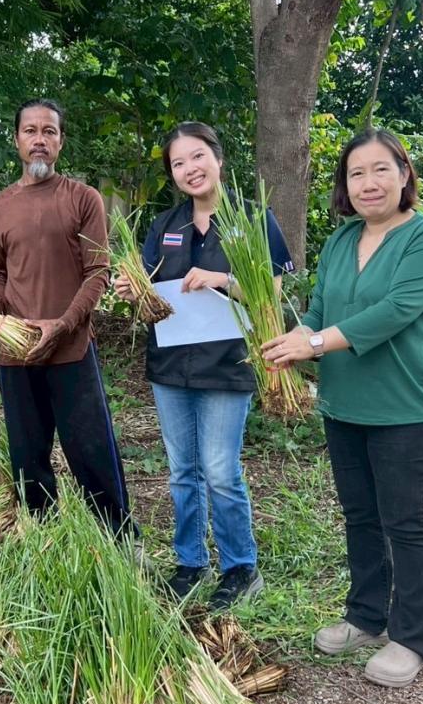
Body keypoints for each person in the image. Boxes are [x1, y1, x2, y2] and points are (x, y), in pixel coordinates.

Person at [262, 128, 423, 687]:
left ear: (403, 174)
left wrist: (317, 343)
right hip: (346, 402)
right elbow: (320, 310)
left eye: (380, 170)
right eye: (356, 173)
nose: (368, 183)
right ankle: (366, 616)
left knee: (405, 521)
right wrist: (290, 341)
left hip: (409, 404)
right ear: (344, 188)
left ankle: (412, 637)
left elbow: (397, 309)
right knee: (361, 515)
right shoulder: (340, 241)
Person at [114, 122, 294, 610]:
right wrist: (134, 290)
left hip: (227, 365)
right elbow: (151, 295)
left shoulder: (254, 219)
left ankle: (240, 568)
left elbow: (272, 295)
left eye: (197, 157)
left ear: (217, 158)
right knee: (181, 471)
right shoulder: (165, 226)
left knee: (219, 470)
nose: (189, 169)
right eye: (178, 163)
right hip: (171, 366)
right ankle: (190, 563)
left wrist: (222, 278)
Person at [0, 98, 134, 538]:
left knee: (92, 452)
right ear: (17, 141)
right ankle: (42, 542)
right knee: (28, 457)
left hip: (71, 349)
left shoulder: (82, 199)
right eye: (30, 131)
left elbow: (97, 272)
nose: (40, 140)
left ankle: (119, 541)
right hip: (16, 353)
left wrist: (63, 325)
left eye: (49, 131)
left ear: (61, 142)